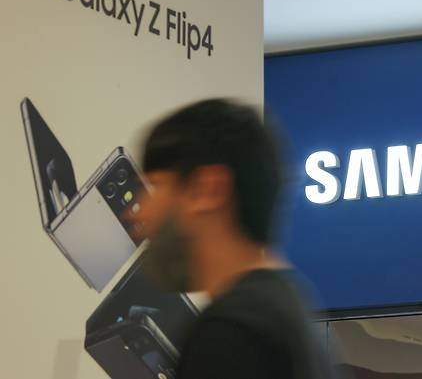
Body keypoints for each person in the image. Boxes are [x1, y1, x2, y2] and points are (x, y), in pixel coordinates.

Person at [131, 99, 334, 379]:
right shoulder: (286, 311)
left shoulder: (232, 334)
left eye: (156, 186)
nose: (140, 213)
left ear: (208, 189)